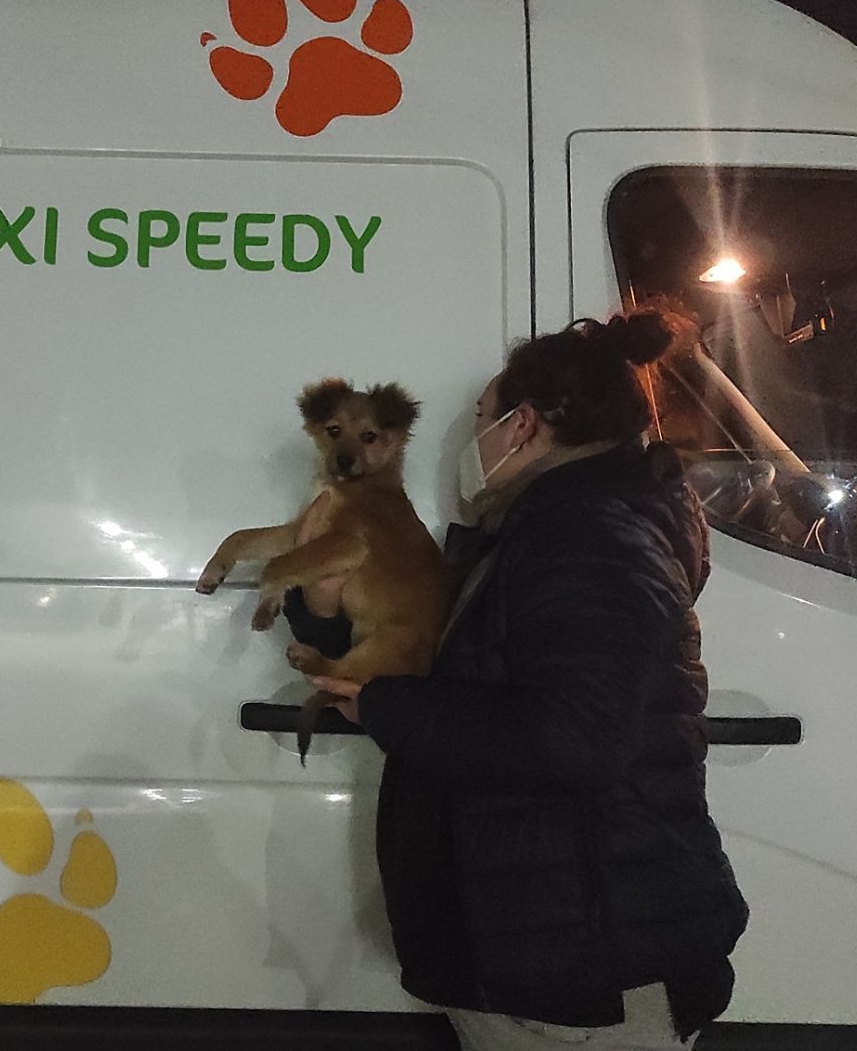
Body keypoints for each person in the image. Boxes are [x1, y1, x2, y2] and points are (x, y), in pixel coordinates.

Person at [284, 306, 748, 1050]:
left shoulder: (592, 541)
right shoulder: (551, 528)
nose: (470, 439)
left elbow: (572, 737)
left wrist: (387, 705)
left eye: (480, 418)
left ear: (523, 426)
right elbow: (460, 657)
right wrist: (325, 618)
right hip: (558, 944)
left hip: (586, 971)